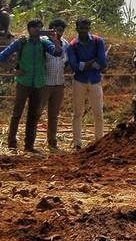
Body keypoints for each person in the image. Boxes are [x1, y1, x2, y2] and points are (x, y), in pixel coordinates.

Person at [2, 20, 59, 152]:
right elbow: (2, 56)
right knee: (17, 114)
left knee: (33, 115)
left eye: (39, 27)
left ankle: (29, 146)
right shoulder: (21, 42)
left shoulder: (44, 43)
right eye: (34, 27)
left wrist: (55, 40)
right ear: (28, 29)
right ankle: (12, 144)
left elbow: (57, 53)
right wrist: (12, 70)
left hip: (38, 84)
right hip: (23, 82)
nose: (37, 30)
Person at [66, 18, 108, 149]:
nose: (84, 30)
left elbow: (102, 62)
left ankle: (99, 141)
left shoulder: (97, 41)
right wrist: (91, 63)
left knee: (98, 113)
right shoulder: (72, 45)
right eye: (82, 28)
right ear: (77, 28)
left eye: (86, 28)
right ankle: (77, 143)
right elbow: (74, 66)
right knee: (78, 113)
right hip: (79, 81)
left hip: (94, 80)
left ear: (89, 28)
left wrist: (84, 65)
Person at [42, 19, 70, 151]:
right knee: (36, 113)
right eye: (56, 30)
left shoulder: (66, 44)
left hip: (59, 83)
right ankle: (30, 142)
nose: (58, 32)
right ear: (50, 29)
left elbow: (68, 62)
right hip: (44, 83)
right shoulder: (43, 42)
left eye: (61, 30)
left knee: (53, 115)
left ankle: (52, 141)